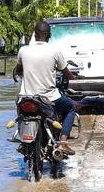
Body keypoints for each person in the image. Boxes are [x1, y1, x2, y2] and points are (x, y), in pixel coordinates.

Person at [12, 20, 79, 155]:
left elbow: (18, 70)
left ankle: (24, 142)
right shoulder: (54, 51)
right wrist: (75, 78)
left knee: (21, 113)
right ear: (49, 36)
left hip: (26, 96)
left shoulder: (23, 50)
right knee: (70, 107)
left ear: (34, 35)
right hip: (49, 97)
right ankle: (63, 143)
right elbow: (66, 73)